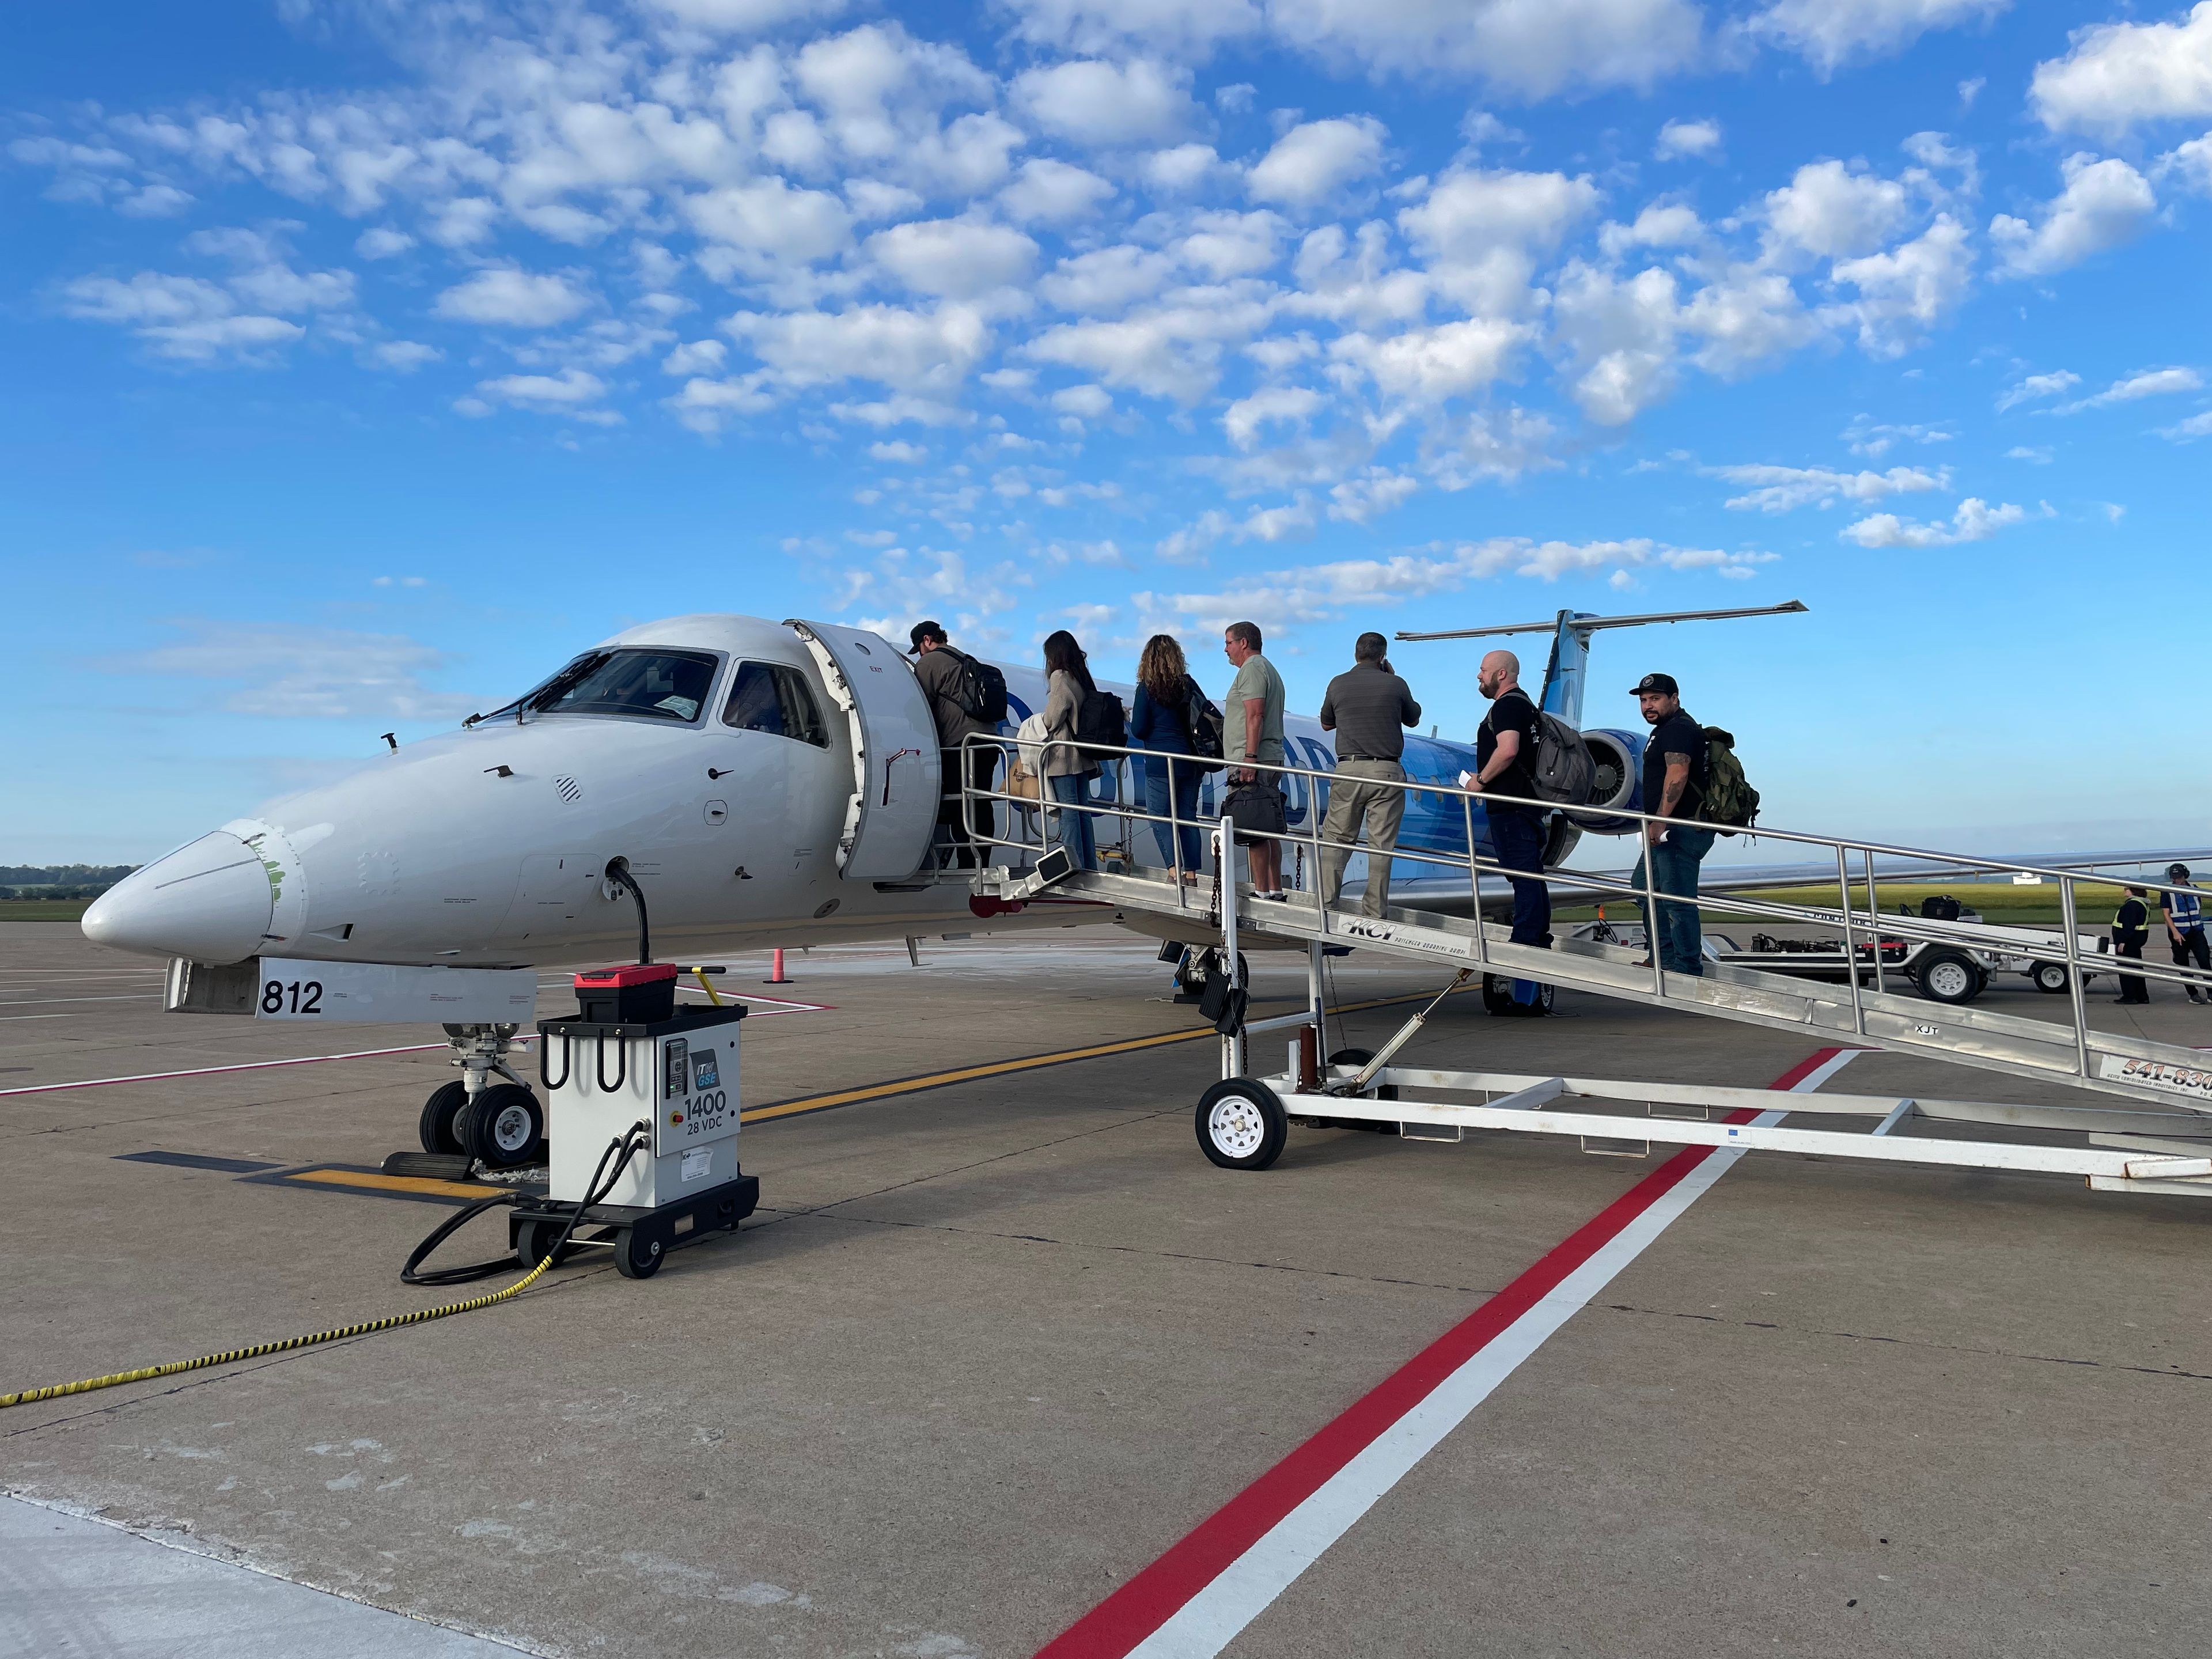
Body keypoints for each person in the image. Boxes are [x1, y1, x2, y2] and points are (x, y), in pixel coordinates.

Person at [1317, 632, 1420, 917]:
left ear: (1355, 654)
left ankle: (1327, 904)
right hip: (1385, 771)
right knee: (1381, 844)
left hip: (1348, 768)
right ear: (1382, 657)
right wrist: (1392, 677)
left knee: (1337, 839)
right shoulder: (1396, 684)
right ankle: (1374, 911)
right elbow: (1413, 718)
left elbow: (1326, 724)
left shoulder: (1338, 684)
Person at [1625, 671, 1713, 976]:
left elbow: (1678, 774)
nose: (1648, 705)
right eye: (1644, 700)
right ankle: (1663, 957)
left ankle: (1687, 968)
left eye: (1656, 699)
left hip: (1679, 829)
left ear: (1674, 699)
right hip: (1667, 829)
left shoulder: (1677, 729)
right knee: (1644, 887)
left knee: (1677, 901)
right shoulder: (1664, 730)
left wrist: (1660, 822)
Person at [1467, 648, 1550, 947]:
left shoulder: (1506, 707)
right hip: (1526, 804)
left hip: (1510, 805)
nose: (1479, 675)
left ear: (1501, 674)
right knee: (1530, 873)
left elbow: (1508, 749)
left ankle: (1527, 937)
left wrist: (1481, 780)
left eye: (1483, 669)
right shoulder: (1525, 705)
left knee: (1522, 874)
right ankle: (1537, 933)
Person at [908, 620, 997, 868]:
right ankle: (982, 860)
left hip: (961, 744)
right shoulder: (966, 659)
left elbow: (920, 704)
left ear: (927, 640)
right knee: (980, 801)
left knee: (961, 802)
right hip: (989, 742)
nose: (920, 654)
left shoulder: (930, 662)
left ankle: (967, 861)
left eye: (919, 648)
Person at [1221, 621, 1288, 899]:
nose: (1226, 650)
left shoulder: (1252, 669)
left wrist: (1249, 759)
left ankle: (1261, 890)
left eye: (1228, 643)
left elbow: (1255, 714)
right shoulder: (1268, 668)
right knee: (1268, 826)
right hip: (1267, 757)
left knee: (1255, 825)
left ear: (1244, 643)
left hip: (1254, 759)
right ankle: (1274, 889)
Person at [1130, 634, 1205, 881]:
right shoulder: (1189, 684)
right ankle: (1192, 874)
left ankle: (1174, 870)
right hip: (1191, 762)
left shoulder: (1147, 688)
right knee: (1187, 818)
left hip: (1162, 763)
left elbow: (1139, 728)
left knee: (1159, 817)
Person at [1041, 629, 1101, 871]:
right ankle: (1088, 864)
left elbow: (1056, 712)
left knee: (1068, 811)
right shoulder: (1082, 677)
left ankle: (1072, 863)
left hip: (1065, 755)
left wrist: (1042, 724)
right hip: (1084, 755)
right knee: (1082, 811)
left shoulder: (1060, 676)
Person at [2161, 862, 2209, 1005]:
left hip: (2196, 931)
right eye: (2175, 878)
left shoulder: (2194, 889)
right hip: (2179, 933)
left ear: (2185, 875)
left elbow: (2198, 910)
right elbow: (2166, 914)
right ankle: (2193, 993)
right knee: (2184, 964)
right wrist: (2175, 932)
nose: (2178, 880)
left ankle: (2211, 992)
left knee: (2205, 961)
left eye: (2180, 877)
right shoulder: (2167, 891)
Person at [2111, 885, 2151, 1005]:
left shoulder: (2132, 905)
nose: (2125, 891)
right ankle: (2142, 996)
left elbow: (2129, 925)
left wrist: (2123, 941)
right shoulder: (2142, 904)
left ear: (2134, 891)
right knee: (2137, 968)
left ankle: (2130, 995)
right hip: (2136, 942)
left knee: (2126, 969)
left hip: (2129, 942)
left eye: (2126, 889)